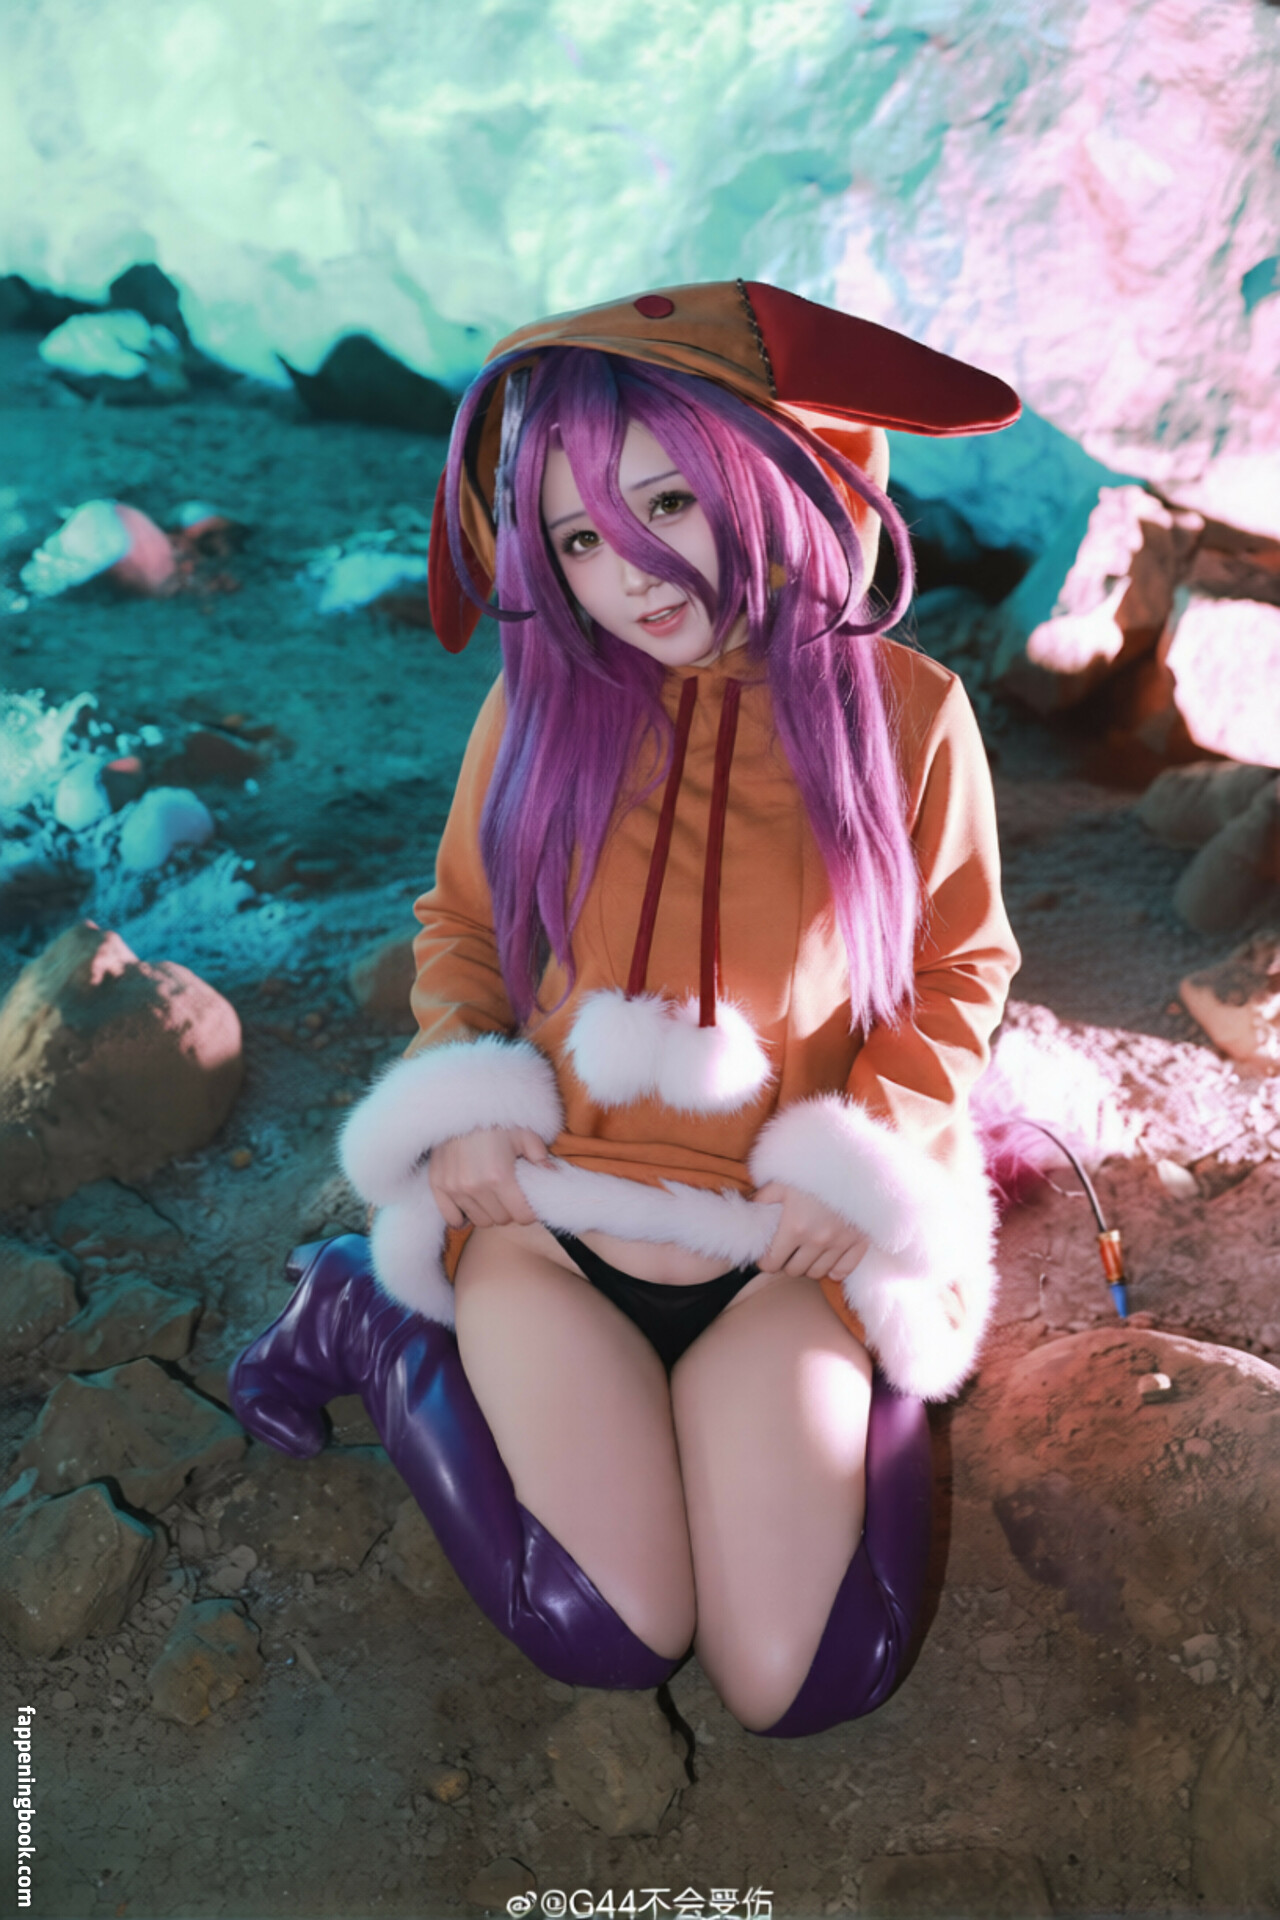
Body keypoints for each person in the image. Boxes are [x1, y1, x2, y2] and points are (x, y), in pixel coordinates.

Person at [229, 280, 1021, 1738]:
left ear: (763, 472)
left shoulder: (908, 713)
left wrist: (876, 1160)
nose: (632, 574)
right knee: (605, 1632)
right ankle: (367, 1313)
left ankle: (877, 1388)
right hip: (548, 1217)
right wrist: (463, 1100)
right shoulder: (540, 709)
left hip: (775, 1249)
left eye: (668, 504)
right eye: (580, 539)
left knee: (810, 1680)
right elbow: (461, 928)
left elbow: (962, 969)